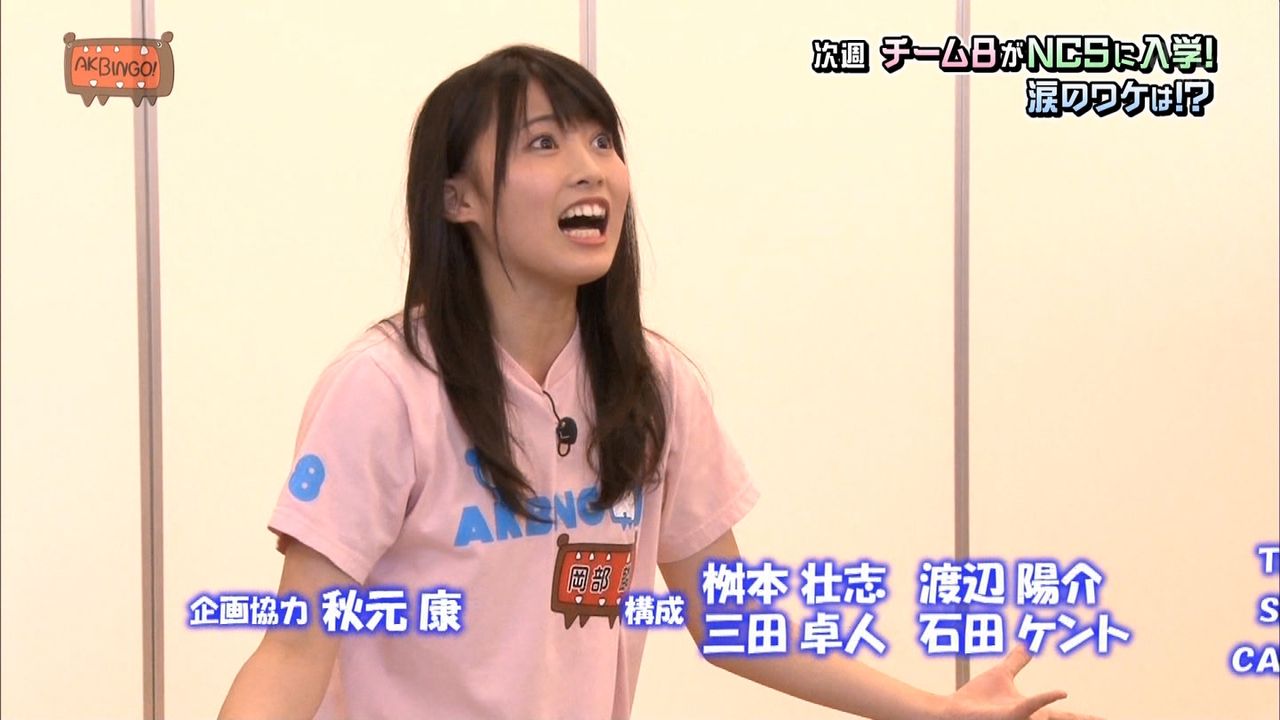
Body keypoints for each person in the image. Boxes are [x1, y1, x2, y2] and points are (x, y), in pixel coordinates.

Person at [218, 44, 1100, 720]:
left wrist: (934, 711)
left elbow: (728, 618)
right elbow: (294, 653)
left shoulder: (654, 384)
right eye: (544, 142)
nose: (590, 167)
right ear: (460, 200)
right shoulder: (387, 388)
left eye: (603, 142)